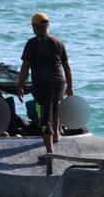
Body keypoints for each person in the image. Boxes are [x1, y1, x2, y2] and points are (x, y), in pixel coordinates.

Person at [17, 12, 74, 155]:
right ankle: (55, 135)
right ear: (48, 26)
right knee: (55, 108)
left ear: (35, 27)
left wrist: (20, 85)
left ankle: (49, 152)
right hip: (59, 82)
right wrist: (70, 87)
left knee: (45, 115)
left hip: (43, 84)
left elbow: (25, 67)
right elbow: (67, 66)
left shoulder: (32, 43)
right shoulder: (58, 42)